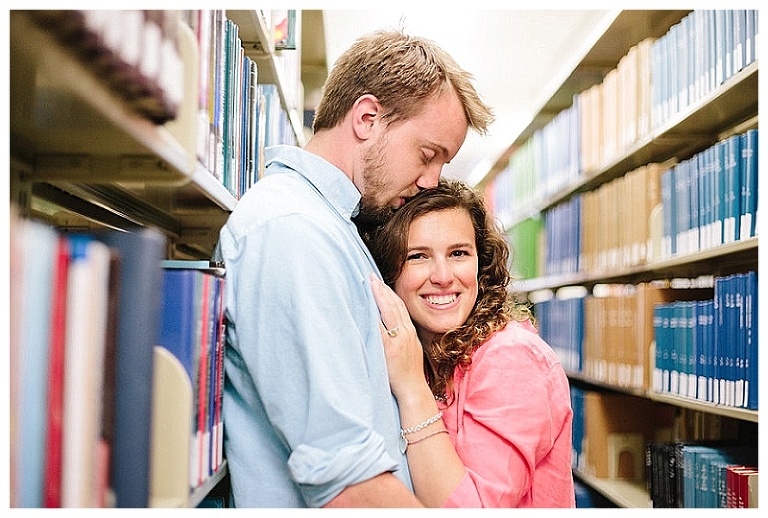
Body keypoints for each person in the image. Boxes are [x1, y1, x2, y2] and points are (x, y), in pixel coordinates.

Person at [217, 29, 493, 508]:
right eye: (428, 156)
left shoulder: (335, 226)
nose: (431, 183)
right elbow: (349, 487)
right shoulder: (292, 232)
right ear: (367, 118)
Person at [364, 179, 575, 507]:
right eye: (418, 256)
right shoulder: (423, 354)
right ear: (389, 271)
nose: (443, 276)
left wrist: (411, 388)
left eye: (458, 253)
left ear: (481, 263)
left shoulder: (512, 360)